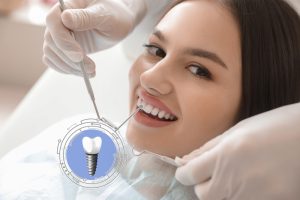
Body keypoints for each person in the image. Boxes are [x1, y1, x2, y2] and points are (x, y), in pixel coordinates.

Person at [0, 0, 299, 199]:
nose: (150, 79)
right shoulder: (76, 142)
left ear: (261, 108)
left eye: (198, 70)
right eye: (155, 51)